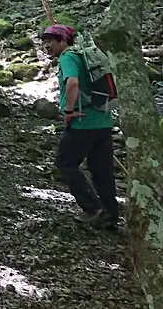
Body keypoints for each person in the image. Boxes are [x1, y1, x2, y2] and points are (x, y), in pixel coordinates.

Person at [42, 23, 119, 229]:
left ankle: (92, 208)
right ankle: (110, 218)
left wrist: (68, 111)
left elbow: (72, 83)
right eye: (44, 41)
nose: (46, 45)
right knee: (102, 171)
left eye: (50, 41)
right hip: (103, 120)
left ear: (64, 41)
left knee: (65, 162)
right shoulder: (85, 55)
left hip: (82, 121)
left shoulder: (68, 57)